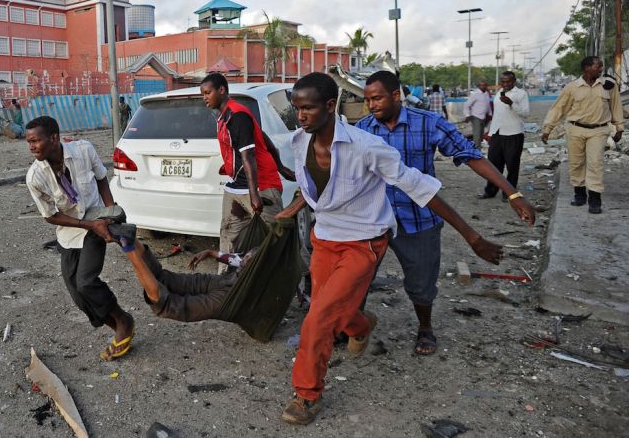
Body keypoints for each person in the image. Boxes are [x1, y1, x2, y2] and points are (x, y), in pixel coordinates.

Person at [277, 72, 504, 425]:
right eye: (296, 108)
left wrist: (471, 236)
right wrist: (295, 204)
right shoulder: (297, 141)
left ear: (329, 106)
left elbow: (420, 188)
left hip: (363, 241)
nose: (301, 115)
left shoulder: (367, 146)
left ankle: (307, 395)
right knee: (332, 309)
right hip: (325, 239)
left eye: (307, 108)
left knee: (318, 318)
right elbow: (314, 189)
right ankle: (361, 325)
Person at [356, 70, 535, 356]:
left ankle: (425, 327)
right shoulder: (362, 130)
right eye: (367, 100)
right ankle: (353, 327)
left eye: (377, 98)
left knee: (421, 284)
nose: (371, 105)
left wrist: (512, 193)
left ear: (395, 95)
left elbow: (471, 155)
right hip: (373, 220)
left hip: (418, 219)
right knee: (357, 279)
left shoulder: (428, 123)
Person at [25, 116, 135, 361]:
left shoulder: (84, 150)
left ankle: (124, 321)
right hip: (70, 232)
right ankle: (117, 325)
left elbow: (101, 179)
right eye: (28, 142)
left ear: (54, 138)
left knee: (86, 282)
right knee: (77, 294)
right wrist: (88, 224)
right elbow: (50, 215)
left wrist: (110, 214)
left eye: (35, 141)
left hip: (97, 219)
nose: (31, 147)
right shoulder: (36, 176)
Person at [199, 72, 291, 272]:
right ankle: (225, 285)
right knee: (229, 233)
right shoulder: (224, 116)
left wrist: (255, 194)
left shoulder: (237, 116)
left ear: (222, 90)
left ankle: (297, 287)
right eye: (203, 94)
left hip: (261, 186)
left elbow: (249, 157)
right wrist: (281, 165)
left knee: (275, 239)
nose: (204, 97)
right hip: (237, 187)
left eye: (208, 92)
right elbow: (264, 138)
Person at [540, 56, 624, 214]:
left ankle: (595, 198)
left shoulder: (609, 86)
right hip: (575, 129)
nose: (601, 69)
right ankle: (579, 194)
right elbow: (558, 109)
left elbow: (616, 107)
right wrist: (547, 129)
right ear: (586, 68)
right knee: (576, 162)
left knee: (595, 163)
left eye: (601, 67)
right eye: (597, 66)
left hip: (599, 131)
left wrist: (619, 128)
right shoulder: (572, 88)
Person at [117, 234, 258, 322]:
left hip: (235, 296)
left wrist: (130, 252)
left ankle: (129, 249)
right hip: (231, 280)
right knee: (166, 279)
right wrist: (211, 252)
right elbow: (241, 261)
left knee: (170, 305)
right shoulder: (264, 250)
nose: (245, 259)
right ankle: (126, 233)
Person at [477, 71, 530, 201]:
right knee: (493, 166)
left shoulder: (521, 94)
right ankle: (490, 191)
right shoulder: (498, 93)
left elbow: (526, 113)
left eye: (508, 81)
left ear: (514, 81)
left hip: (514, 134)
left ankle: (509, 194)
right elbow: (498, 114)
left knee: (512, 166)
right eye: (503, 82)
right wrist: (490, 132)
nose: (505, 84)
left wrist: (511, 103)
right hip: (497, 133)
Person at [464, 80, 492, 148]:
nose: (483, 86)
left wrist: (490, 113)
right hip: (476, 117)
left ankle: (478, 151)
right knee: (477, 136)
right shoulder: (475, 94)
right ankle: (476, 152)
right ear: (478, 86)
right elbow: (467, 105)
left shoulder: (486, 94)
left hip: (483, 117)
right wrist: (467, 115)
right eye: (481, 85)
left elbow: (488, 105)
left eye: (484, 85)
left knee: (480, 136)